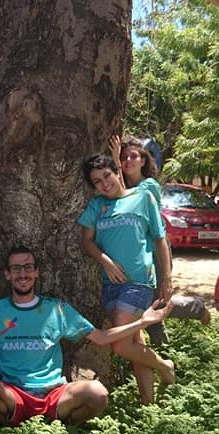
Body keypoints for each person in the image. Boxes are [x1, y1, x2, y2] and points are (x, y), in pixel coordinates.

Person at [0, 246, 174, 426]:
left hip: (55, 394)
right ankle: (13, 425)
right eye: (16, 268)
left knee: (97, 394)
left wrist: (142, 322)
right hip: (13, 394)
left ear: (36, 272)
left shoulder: (56, 310)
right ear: (7, 275)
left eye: (28, 267)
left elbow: (100, 337)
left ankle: (60, 426)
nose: (22, 273)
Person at [78, 154, 177, 404]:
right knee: (134, 339)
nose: (104, 183)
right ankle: (148, 403)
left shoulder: (142, 198)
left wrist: (166, 277)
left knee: (120, 345)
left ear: (116, 172)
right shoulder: (97, 206)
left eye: (107, 175)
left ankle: (165, 366)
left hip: (138, 281)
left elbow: (160, 239)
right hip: (110, 283)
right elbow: (86, 241)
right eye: (97, 181)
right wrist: (106, 261)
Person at [109, 135, 211, 344]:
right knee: (145, 306)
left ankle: (196, 308)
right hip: (136, 254)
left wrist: (166, 276)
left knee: (155, 303)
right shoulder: (122, 185)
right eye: (123, 157)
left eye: (133, 156)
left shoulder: (149, 186)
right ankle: (162, 347)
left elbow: (126, 197)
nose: (127, 161)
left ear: (143, 160)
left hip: (155, 252)